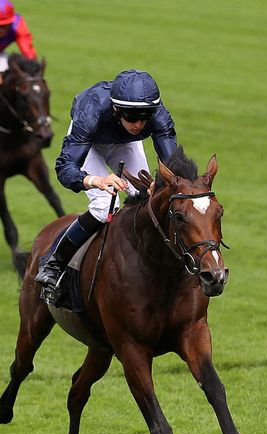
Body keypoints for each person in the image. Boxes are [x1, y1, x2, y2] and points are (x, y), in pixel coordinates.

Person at [35, 69, 178, 297]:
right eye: (131, 117)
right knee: (104, 206)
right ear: (115, 109)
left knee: (148, 197)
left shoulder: (158, 116)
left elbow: (173, 164)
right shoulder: (91, 112)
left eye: (145, 117)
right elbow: (65, 168)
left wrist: (160, 183)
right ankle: (52, 264)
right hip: (89, 143)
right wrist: (96, 180)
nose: (138, 125)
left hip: (125, 145)